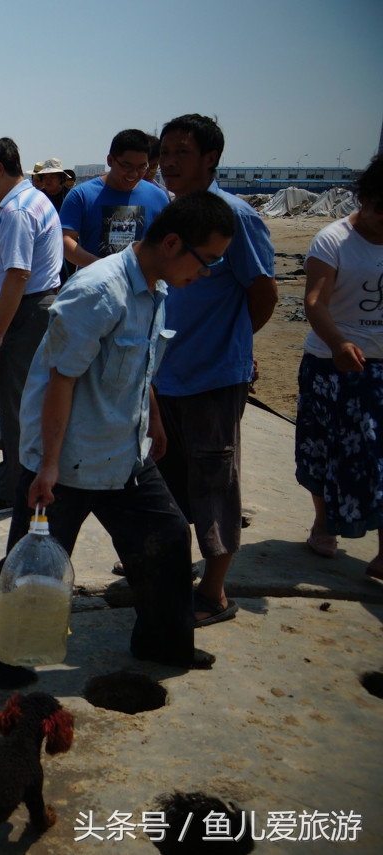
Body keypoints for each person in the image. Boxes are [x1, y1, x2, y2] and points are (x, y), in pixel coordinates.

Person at [0, 191, 236, 689]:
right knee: (30, 562)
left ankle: (163, 643)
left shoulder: (155, 288)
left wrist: (153, 419)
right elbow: (59, 381)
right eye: (207, 259)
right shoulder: (98, 291)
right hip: (68, 463)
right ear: (172, 243)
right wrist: (46, 469)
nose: (208, 271)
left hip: (124, 454)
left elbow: (140, 364)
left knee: (168, 536)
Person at [154, 113, 278, 627]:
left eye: (181, 153)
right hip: (165, 378)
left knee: (214, 482)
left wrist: (232, 348)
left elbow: (263, 292)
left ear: (210, 160)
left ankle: (215, 592)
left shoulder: (235, 217)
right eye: (165, 152)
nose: (168, 163)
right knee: (167, 480)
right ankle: (172, 565)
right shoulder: (171, 212)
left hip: (212, 380)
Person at [0, 137, 64, 515]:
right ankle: (9, 479)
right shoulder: (34, 199)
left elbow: (18, 274)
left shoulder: (17, 211)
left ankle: (16, 493)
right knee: (21, 401)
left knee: (16, 404)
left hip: (24, 313)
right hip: (31, 309)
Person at [296, 155, 383, 579]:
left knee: (377, 455)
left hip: (380, 367)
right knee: (323, 448)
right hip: (333, 364)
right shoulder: (333, 241)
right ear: (364, 199)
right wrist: (339, 343)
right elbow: (315, 302)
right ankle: (324, 523)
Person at [61, 129, 170, 270]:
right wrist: (102, 267)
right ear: (110, 160)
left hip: (143, 287)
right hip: (95, 286)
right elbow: (65, 240)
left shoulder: (158, 197)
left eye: (142, 167)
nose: (134, 173)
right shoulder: (81, 195)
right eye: (127, 166)